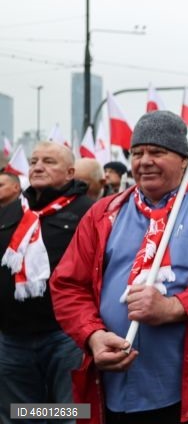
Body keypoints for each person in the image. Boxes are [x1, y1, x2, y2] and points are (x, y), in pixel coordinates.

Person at [49, 111, 188, 424]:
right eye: (137, 152)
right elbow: (68, 284)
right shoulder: (104, 212)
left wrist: (175, 307)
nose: (144, 161)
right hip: (111, 384)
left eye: (157, 152)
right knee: (31, 410)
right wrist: (92, 336)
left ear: (184, 159)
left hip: (185, 384)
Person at [0, 142, 93, 424]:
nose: (38, 166)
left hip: (66, 336)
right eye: (34, 160)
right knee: (19, 415)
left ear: (70, 172)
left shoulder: (90, 212)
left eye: (49, 161)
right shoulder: (10, 212)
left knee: (70, 414)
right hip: (12, 338)